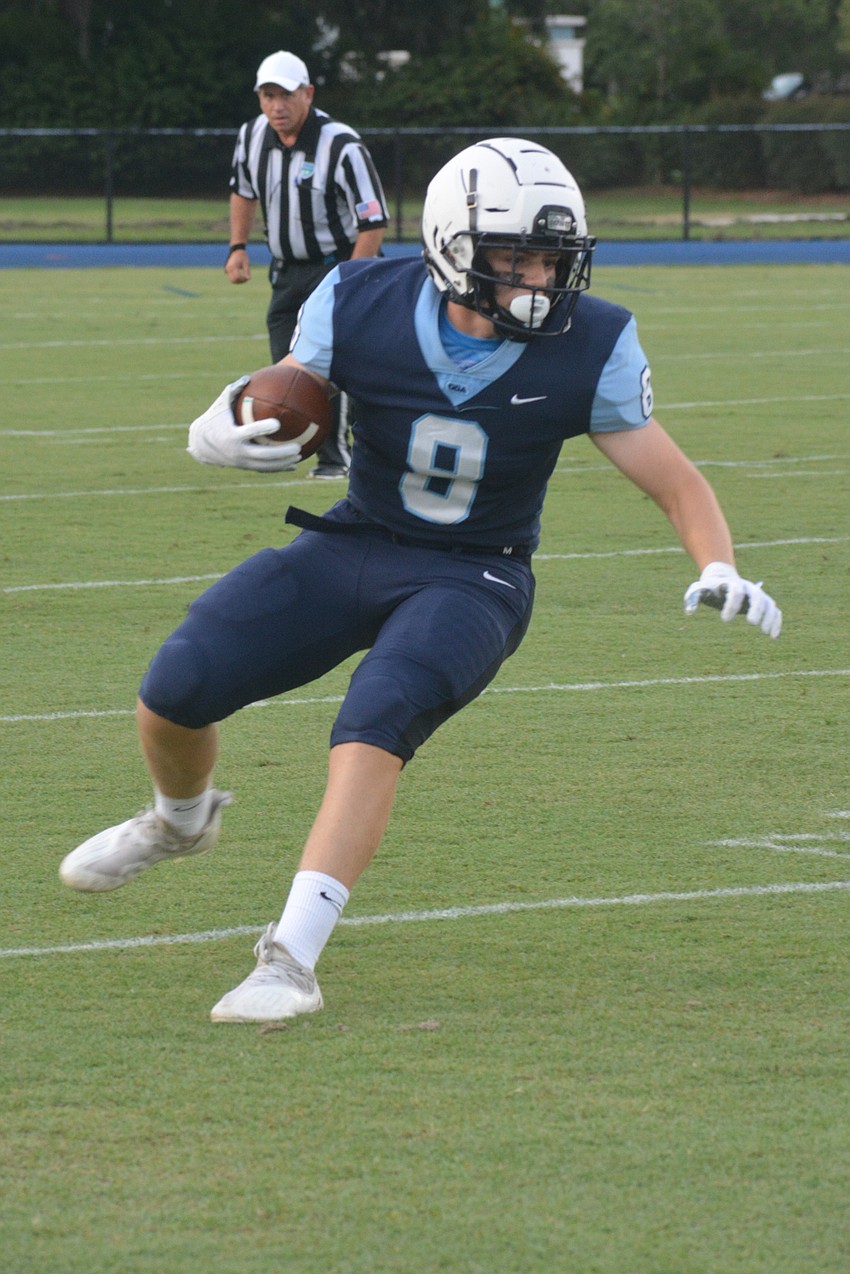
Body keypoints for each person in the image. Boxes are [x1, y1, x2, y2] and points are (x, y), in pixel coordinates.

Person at [60, 138, 782, 1024]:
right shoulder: (359, 298)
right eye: (514, 254)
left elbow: (673, 479)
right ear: (449, 246)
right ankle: (179, 822)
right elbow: (287, 391)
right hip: (355, 540)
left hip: (477, 574)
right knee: (175, 688)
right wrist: (217, 422)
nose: (538, 278)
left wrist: (719, 561)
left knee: (375, 719)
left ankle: (291, 959)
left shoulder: (590, 341)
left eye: (553, 257)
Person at [225, 49, 389, 478]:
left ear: (308, 94)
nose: (277, 107)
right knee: (287, 370)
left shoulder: (342, 145)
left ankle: (337, 459)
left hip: (337, 265)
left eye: (286, 95)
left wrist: (351, 279)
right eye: (268, 96)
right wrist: (237, 247)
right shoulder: (252, 136)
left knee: (335, 364)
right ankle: (289, 446)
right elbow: (244, 192)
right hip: (287, 270)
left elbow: (373, 220)